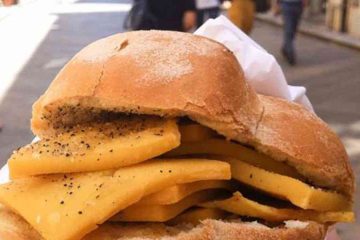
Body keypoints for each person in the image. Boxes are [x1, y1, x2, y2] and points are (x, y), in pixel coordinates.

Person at [276, 0, 306, 65]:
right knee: (289, 29)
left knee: (293, 30)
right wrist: (278, 3)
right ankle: (291, 54)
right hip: (287, 4)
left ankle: (285, 48)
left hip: (298, 5)